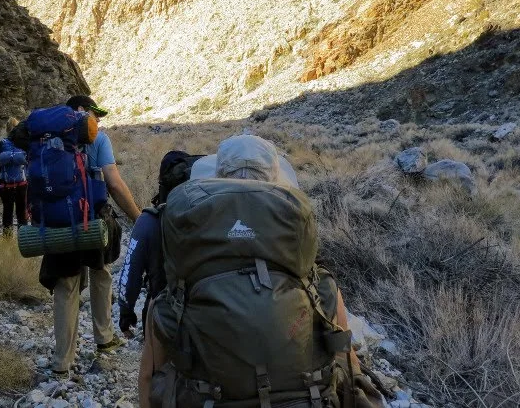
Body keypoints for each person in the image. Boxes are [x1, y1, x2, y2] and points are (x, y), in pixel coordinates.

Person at [138, 135, 385, 408]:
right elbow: (347, 364)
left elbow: (149, 378)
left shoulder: (183, 281)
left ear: (216, 178)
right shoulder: (317, 283)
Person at [41, 95, 143, 376]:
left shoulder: (47, 139)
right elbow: (113, 182)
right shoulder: (99, 140)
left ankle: (62, 363)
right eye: (95, 114)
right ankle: (104, 338)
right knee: (101, 273)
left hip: (58, 220)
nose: (97, 121)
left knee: (66, 286)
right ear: (83, 111)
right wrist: (138, 217)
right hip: (93, 220)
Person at [117, 152, 203, 339]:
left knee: (156, 367)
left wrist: (126, 313)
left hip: (162, 319)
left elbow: (130, 273)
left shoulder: (150, 220)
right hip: (207, 319)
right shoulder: (212, 218)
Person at [0, 117, 29, 234]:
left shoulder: (1, 144)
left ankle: (7, 239)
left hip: (6, 186)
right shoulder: (24, 143)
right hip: (22, 184)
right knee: (22, 213)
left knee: (7, 213)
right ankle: (24, 239)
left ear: (6, 129)